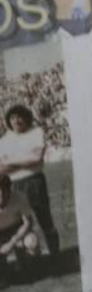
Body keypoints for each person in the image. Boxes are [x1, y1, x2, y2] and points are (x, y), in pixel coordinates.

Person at [0, 102, 60, 259]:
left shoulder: (36, 132)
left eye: (20, 116)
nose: (17, 120)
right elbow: (2, 168)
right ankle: (27, 257)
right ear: (8, 121)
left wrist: (12, 162)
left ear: (26, 117)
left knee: (45, 218)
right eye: (12, 117)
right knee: (21, 222)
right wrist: (26, 160)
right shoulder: (5, 140)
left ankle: (56, 255)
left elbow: (37, 158)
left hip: (34, 182)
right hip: (13, 186)